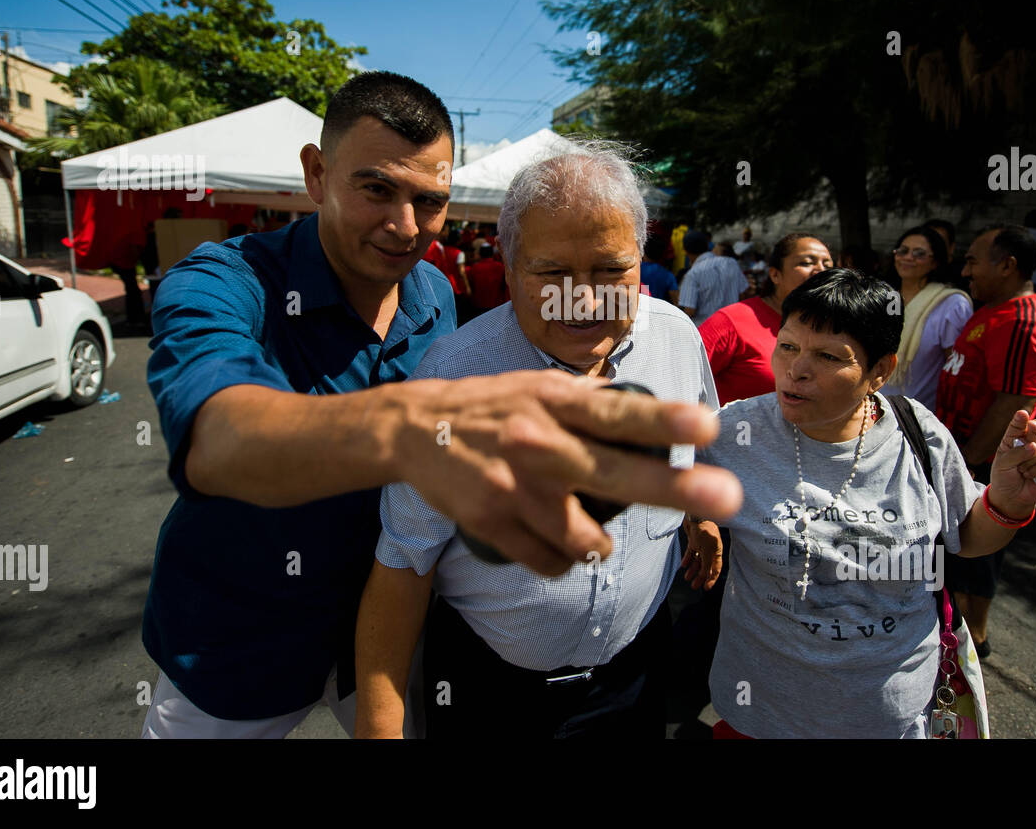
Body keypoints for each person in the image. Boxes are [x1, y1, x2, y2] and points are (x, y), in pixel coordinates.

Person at [139, 72, 740, 739]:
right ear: (316, 173)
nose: (403, 225)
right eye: (376, 188)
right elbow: (219, 442)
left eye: (429, 199)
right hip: (243, 639)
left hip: (402, 640)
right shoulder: (225, 283)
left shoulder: (429, 290)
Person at [354, 142, 725, 739]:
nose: (583, 299)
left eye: (610, 270)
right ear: (509, 268)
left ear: (640, 260)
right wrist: (380, 725)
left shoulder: (677, 339)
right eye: (552, 273)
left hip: (634, 680)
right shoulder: (451, 383)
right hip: (489, 696)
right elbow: (403, 565)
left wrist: (697, 519)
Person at [700, 268, 1036, 738]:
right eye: (787, 346)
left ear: (880, 371)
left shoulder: (919, 434)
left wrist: (1006, 503)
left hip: (888, 717)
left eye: (828, 356)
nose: (796, 369)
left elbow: (966, 538)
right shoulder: (734, 432)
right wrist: (696, 517)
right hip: (761, 712)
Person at [936, 225, 1036, 658]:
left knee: (976, 552)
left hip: (982, 464)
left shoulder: (1024, 322)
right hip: (960, 454)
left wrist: (968, 462)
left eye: (973, 260)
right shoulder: (993, 308)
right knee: (954, 552)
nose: (965, 269)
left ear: (1007, 265)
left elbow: (1016, 400)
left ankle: (972, 643)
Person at [700, 232, 833, 406]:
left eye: (827, 265)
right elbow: (677, 380)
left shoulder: (833, 328)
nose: (820, 271)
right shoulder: (731, 322)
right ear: (775, 274)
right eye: (806, 263)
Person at [880, 226, 973, 411]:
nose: (908, 258)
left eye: (919, 254)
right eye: (903, 251)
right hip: (875, 408)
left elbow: (956, 370)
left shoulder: (951, 304)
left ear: (935, 262)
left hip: (918, 414)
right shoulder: (886, 296)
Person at [678, 229, 748, 326]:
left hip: (704, 333)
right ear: (708, 245)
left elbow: (689, 311)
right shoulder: (731, 263)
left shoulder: (693, 274)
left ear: (686, 252)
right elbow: (743, 295)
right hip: (730, 330)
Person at [464, 241, 509, 314]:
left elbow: (470, 287)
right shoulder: (500, 267)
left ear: (480, 254)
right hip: (497, 306)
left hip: (479, 306)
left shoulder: (474, 268)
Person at [640, 235, 679, 304]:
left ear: (643, 250)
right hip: (659, 311)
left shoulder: (636, 271)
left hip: (638, 309)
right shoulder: (668, 275)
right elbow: (676, 301)